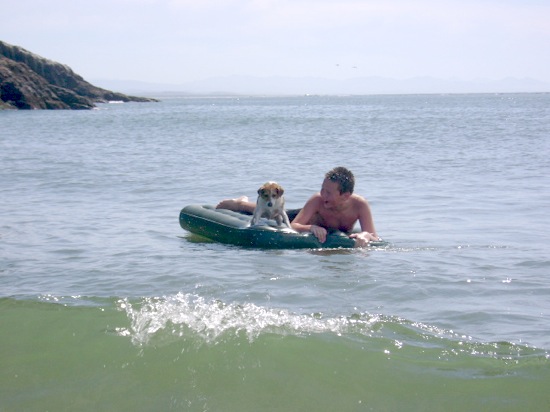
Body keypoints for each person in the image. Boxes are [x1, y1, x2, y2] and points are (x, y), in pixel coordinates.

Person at [216, 167, 379, 247]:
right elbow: (294, 225)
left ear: (345, 195)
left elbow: (373, 235)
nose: (323, 194)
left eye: (328, 192)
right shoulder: (318, 200)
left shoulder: (360, 205)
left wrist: (365, 235)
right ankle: (240, 203)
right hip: (300, 217)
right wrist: (311, 227)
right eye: (322, 189)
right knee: (272, 213)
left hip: (323, 226)